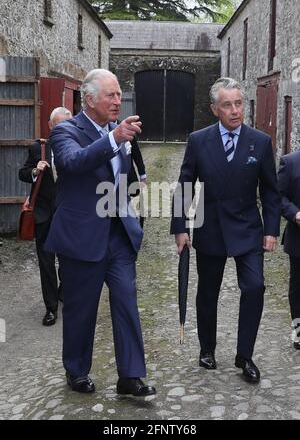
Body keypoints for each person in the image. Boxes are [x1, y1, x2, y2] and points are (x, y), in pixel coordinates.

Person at [44, 69, 156, 396]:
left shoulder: (117, 132)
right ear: (89, 99)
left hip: (118, 235)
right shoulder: (66, 131)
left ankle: (130, 377)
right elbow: (73, 162)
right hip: (81, 238)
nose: (118, 100)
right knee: (81, 309)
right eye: (111, 95)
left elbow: (123, 178)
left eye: (119, 94)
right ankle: (76, 370)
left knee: (126, 303)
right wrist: (114, 139)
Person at [171, 77, 280, 383]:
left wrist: (271, 230)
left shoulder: (260, 142)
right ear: (214, 109)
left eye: (239, 103)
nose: (235, 110)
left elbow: (271, 191)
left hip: (248, 229)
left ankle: (245, 355)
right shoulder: (199, 140)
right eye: (227, 105)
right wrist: (180, 227)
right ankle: (207, 349)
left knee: (255, 287)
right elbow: (185, 184)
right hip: (211, 228)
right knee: (207, 293)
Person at [19, 107, 72, 326]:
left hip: (68, 214)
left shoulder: (76, 147)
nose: (61, 129)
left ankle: (63, 291)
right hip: (43, 214)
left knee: (69, 259)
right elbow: (22, 173)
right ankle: (50, 308)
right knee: (46, 261)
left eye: (65, 126)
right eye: (57, 125)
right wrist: (34, 171)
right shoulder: (38, 148)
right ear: (50, 126)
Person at [278, 151, 300, 350]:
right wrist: (295, 214)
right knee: (298, 288)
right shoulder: (290, 162)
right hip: (299, 237)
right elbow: (278, 196)